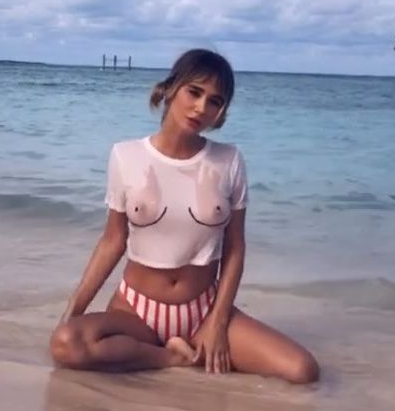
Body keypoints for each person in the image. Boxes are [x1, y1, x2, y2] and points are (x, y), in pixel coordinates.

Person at [50, 49, 319, 383]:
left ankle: (175, 348)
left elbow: (235, 248)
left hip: (203, 309)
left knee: (302, 370)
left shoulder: (228, 161)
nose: (201, 108)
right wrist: (73, 310)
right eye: (194, 92)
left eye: (214, 101)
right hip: (135, 311)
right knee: (66, 344)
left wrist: (217, 322)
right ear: (170, 88)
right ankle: (170, 357)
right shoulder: (126, 155)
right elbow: (112, 241)